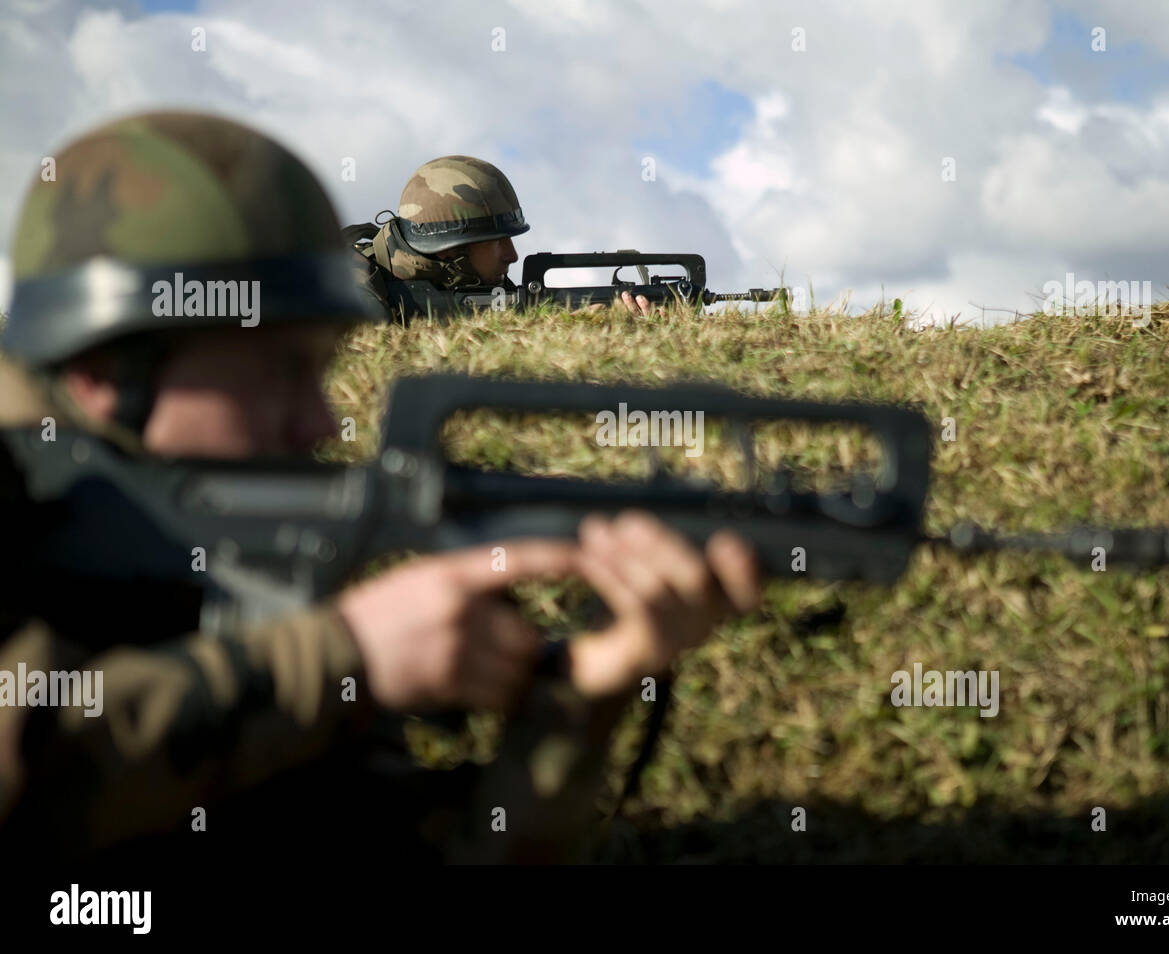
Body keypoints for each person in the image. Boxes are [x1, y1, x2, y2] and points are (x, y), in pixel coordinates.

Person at [0, 111, 761, 866]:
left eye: (324, 369)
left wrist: (579, 700)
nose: (324, 423)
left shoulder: (248, 568)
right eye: (282, 372)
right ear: (106, 374)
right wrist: (347, 655)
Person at [350, 155, 656, 319]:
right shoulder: (351, 289)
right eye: (497, 242)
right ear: (449, 251)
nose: (512, 255)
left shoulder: (472, 284)